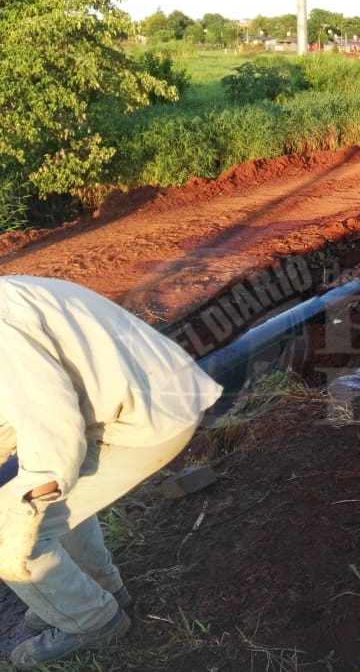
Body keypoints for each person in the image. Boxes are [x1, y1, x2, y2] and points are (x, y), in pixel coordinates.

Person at [0, 275, 223, 668]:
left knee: (12, 525)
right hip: (150, 396)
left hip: (145, 419)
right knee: (45, 495)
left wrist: (21, 507)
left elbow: (54, 435)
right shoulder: (9, 295)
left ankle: (90, 621)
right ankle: (98, 589)